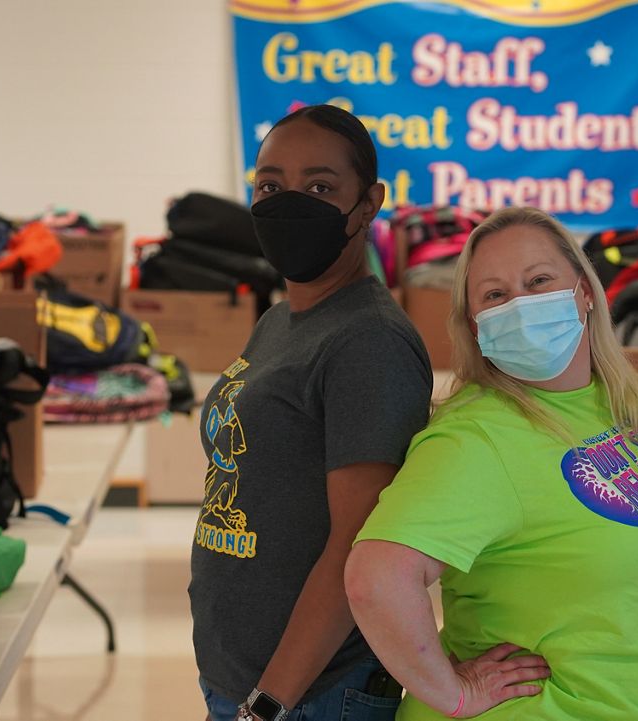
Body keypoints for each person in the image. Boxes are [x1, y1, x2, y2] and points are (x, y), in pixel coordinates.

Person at [345, 206, 638, 720]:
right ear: (476, 325)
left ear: (585, 292)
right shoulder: (476, 437)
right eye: (496, 295)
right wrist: (452, 692)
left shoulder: (624, 402)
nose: (521, 305)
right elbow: (376, 579)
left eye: (539, 280)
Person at [190, 104, 433, 721]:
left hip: (312, 696)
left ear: (369, 203)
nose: (289, 202)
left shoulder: (367, 341)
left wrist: (266, 705)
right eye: (271, 185)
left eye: (320, 187)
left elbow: (359, 546)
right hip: (246, 679)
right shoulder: (281, 321)